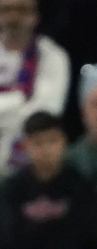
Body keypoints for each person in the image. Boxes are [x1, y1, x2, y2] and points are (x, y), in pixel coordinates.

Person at [0, 110, 93, 249]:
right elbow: (8, 236)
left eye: (52, 141)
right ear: (26, 145)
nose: (46, 149)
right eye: (38, 143)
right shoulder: (12, 188)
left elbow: (84, 235)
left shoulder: (79, 186)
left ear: (63, 142)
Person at [0, 0, 70, 174]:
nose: (13, 17)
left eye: (21, 10)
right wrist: (20, 100)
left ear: (35, 17)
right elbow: (31, 109)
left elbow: (47, 112)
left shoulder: (53, 57)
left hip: (31, 161)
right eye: (6, 10)